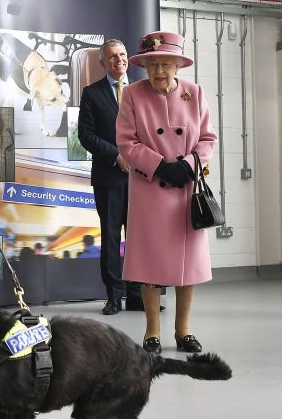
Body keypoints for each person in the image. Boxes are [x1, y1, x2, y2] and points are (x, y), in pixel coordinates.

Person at [117, 31, 217, 354]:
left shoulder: (195, 93)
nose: (159, 71)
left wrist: (190, 164)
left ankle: (183, 331)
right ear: (144, 66)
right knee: (150, 266)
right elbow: (126, 142)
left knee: (185, 267)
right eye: (152, 64)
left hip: (186, 191)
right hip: (150, 191)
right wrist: (159, 166)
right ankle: (152, 333)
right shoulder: (132, 94)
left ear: (177, 65)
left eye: (165, 64)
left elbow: (208, 139)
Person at [78, 39, 143, 314]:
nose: (120, 60)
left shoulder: (141, 91)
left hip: (140, 178)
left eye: (123, 55)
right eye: (113, 57)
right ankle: (114, 297)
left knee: (140, 237)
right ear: (103, 62)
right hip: (109, 176)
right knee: (112, 237)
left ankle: (138, 295)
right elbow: (86, 136)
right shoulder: (91, 94)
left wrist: (140, 158)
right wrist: (117, 155)